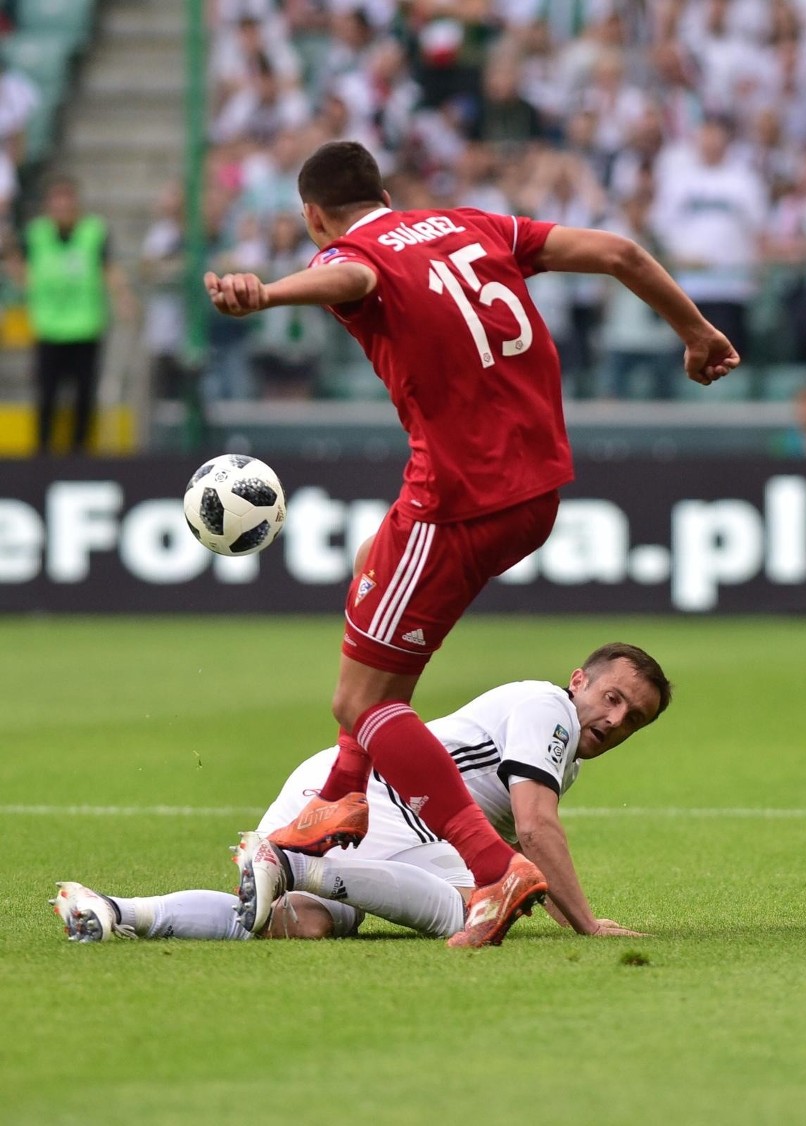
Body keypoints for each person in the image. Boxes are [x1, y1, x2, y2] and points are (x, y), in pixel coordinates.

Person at [204, 139, 737, 949]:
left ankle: (495, 870)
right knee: (372, 589)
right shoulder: (470, 224)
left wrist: (268, 292)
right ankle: (345, 789)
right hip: (538, 493)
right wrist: (695, 333)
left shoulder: (356, 253)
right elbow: (621, 252)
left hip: (458, 499)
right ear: (383, 189)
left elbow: (354, 278)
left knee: (366, 700)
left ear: (313, 215)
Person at [51, 643, 671, 946]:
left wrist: (565, 914)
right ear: (578, 681)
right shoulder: (548, 710)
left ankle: (116, 911)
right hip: (373, 803)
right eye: (612, 699)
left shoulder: (558, 751)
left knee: (293, 924)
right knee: (475, 908)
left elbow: (511, 853)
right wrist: (587, 927)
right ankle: (292, 861)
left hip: (352, 801)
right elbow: (535, 831)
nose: (617, 720)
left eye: (634, 719)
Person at [8, 175, 135, 454]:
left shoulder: (93, 232)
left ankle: (80, 456)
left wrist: (123, 298)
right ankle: (42, 456)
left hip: (85, 327)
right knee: (46, 397)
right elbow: (18, 265)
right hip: (49, 328)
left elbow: (108, 266)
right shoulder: (36, 234)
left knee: (83, 398)